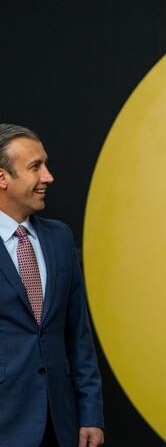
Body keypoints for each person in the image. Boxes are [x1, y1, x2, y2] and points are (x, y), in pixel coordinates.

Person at [0, 124, 104, 447]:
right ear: (2, 177)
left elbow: (78, 335)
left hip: (61, 425)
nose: (48, 177)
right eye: (35, 167)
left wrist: (91, 413)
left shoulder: (59, 237)